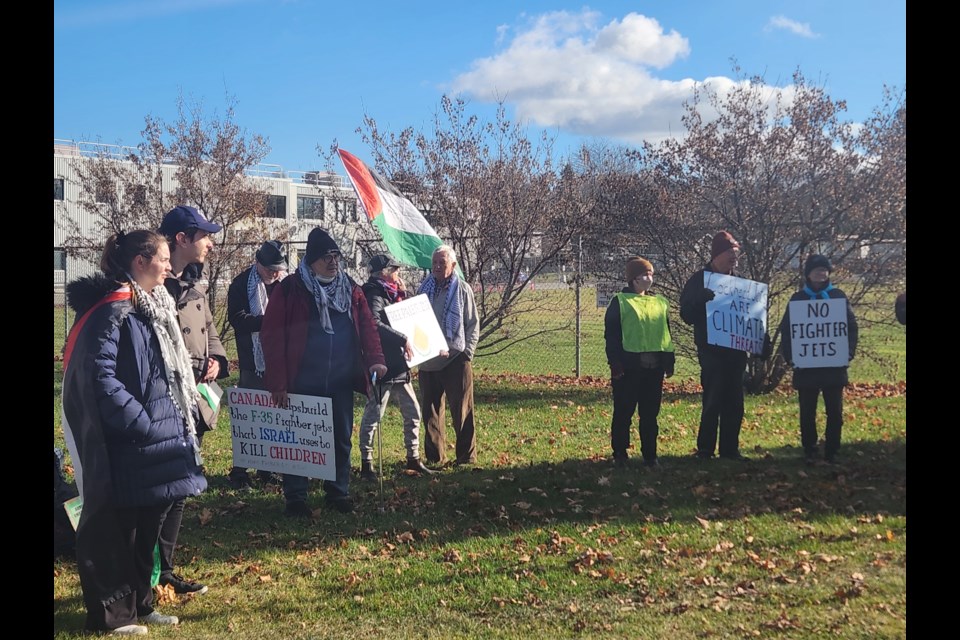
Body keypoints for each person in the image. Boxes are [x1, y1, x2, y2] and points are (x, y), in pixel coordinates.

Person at [62, 230, 206, 635]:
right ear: (140, 263)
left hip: (160, 436)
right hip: (130, 441)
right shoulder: (113, 310)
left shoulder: (150, 305)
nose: (168, 266)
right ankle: (114, 615)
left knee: (149, 526)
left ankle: (142, 603)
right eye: (162, 258)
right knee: (121, 528)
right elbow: (98, 376)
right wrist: (139, 420)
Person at [261, 228, 387, 516]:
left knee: (340, 437)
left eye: (336, 256)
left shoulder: (351, 289)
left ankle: (337, 491)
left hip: (340, 378)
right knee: (299, 438)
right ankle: (296, 496)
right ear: (311, 261)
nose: (332, 262)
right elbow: (272, 336)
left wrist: (376, 359)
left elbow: (367, 326)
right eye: (326, 257)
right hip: (301, 378)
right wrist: (278, 383)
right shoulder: (291, 288)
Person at [155, 205, 229, 595]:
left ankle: (165, 570)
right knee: (162, 492)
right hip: (166, 402)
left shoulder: (195, 283)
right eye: (204, 236)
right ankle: (147, 575)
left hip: (197, 399)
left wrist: (216, 358)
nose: (211, 243)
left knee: (182, 488)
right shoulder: (153, 286)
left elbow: (210, 326)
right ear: (181, 239)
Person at [680, 231, 768, 461]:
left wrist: (762, 341)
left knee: (734, 404)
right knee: (713, 401)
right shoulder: (699, 280)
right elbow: (686, 314)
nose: (734, 257)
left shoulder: (740, 284)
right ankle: (706, 450)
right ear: (717, 255)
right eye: (730, 253)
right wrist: (700, 299)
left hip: (736, 353)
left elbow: (752, 316)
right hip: (711, 353)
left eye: (736, 254)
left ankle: (730, 450)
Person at [358, 254, 435, 480]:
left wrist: (405, 294)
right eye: (394, 269)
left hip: (400, 366)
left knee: (413, 412)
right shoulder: (374, 293)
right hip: (383, 364)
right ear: (384, 272)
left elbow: (406, 316)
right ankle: (367, 464)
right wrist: (402, 339)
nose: (397, 273)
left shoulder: (392, 292)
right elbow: (374, 323)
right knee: (374, 415)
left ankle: (413, 459)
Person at [778, 255, 859, 463]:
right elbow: (787, 331)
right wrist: (790, 357)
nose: (821, 273)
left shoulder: (838, 296)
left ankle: (832, 449)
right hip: (806, 367)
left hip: (834, 366)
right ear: (808, 274)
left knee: (835, 411)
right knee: (807, 411)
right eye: (816, 270)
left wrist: (847, 353)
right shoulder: (797, 300)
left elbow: (851, 328)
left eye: (824, 269)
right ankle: (810, 448)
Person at [226, 240, 287, 490]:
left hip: (280, 359)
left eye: (278, 268)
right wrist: (269, 322)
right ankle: (240, 471)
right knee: (251, 418)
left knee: (274, 418)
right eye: (270, 268)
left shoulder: (285, 284)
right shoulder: (241, 284)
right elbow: (238, 319)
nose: (274, 273)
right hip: (253, 360)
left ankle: (267, 468)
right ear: (258, 263)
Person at [604, 257, 676, 468]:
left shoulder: (660, 302)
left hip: (654, 369)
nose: (649, 278)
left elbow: (666, 334)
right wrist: (615, 363)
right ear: (634, 279)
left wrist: (668, 361)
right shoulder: (620, 302)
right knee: (624, 411)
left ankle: (650, 455)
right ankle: (620, 453)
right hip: (629, 368)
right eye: (645, 274)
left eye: (651, 274)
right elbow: (612, 336)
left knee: (650, 414)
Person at [417, 245, 480, 467]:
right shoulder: (423, 289)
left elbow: (472, 324)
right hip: (428, 360)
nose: (436, 267)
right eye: (434, 263)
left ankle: (466, 458)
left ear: (453, 265)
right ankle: (435, 458)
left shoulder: (462, 289)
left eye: (441, 263)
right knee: (430, 412)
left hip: (455, 359)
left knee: (462, 411)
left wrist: (466, 354)